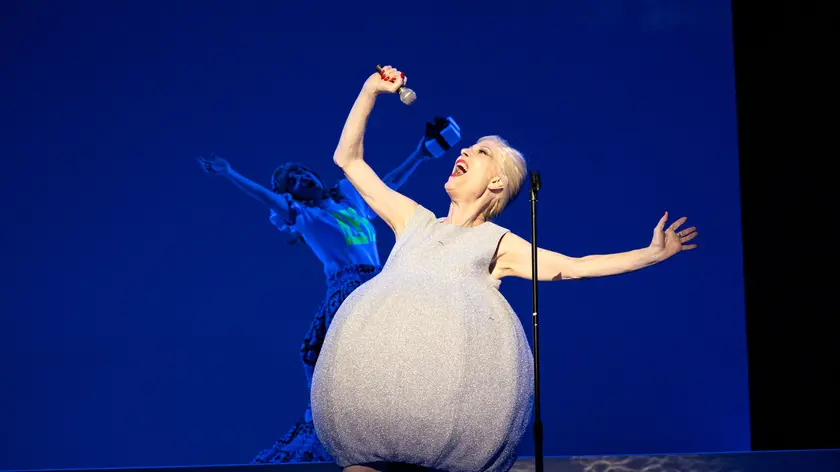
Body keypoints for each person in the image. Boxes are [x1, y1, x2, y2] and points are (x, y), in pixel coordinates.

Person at [310, 65, 700, 472]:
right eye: (468, 148)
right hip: (376, 389)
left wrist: (650, 254)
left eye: (480, 153)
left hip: (443, 410)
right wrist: (370, 90)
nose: (463, 151)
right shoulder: (414, 220)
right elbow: (348, 159)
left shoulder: (496, 241)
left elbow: (575, 266)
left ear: (496, 183)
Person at [197, 124, 447, 463]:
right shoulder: (305, 216)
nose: (303, 178)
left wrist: (419, 154)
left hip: (376, 284)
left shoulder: (351, 201)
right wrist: (230, 173)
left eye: (303, 172)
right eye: (294, 181)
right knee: (323, 356)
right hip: (345, 290)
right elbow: (267, 198)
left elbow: (386, 185)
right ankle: (333, 423)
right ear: (293, 195)